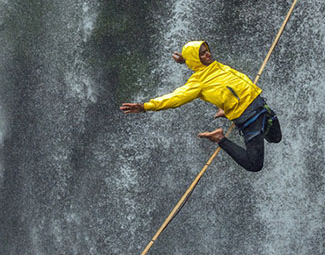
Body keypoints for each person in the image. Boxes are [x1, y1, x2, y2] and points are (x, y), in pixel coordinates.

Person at [119, 40, 282, 172]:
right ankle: (219, 138)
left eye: (206, 50)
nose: (208, 54)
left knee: (276, 138)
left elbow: (203, 68)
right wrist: (146, 106)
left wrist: (185, 60)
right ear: (197, 59)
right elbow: (174, 98)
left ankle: (227, 110)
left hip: (261, 106)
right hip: (249, 119)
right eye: (202, 53)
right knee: (254, 165)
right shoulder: (197, 83)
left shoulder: (216, 66)